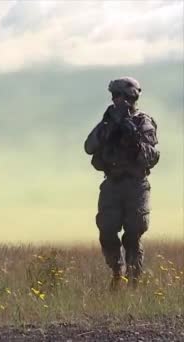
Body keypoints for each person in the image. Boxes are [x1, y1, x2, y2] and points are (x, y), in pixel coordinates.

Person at [84, 77, 160, 290]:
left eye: (121, 96)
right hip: (112, 183)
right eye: (114, 96)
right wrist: (107, 128)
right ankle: (118, 272)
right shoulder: (107, 122)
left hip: (136, 184)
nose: (117, 100)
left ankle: (135, 280)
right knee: (107, 230)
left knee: (134, 232)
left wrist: (134, 138)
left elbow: (153, 156)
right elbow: (89, 147)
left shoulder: (143, 122)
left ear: (132, 97)